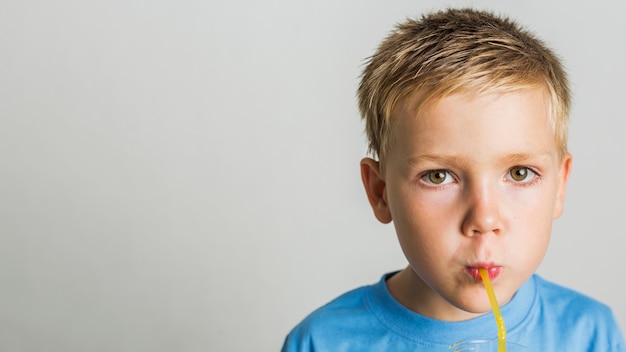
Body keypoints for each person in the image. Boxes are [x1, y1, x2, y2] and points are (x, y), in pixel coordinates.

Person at [281, 7, 625, 351]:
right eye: (438, 176)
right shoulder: (322, 342)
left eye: (519, 173)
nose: (484, 219)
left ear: (559, 186)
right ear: (380, 192)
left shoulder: (589, 334)